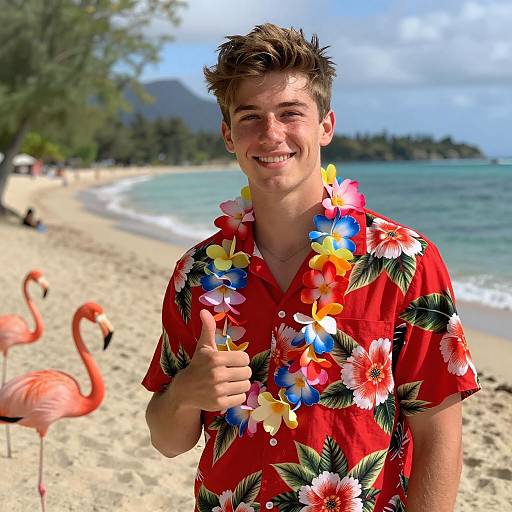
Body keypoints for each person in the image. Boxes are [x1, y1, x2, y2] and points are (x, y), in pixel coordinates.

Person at [142, 24, 479, 512]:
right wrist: (185, 394)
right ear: (227, 135)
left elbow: (440, 437)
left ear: (325, 125)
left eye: (290, 113)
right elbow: (168, 440)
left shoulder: (404, 261)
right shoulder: (195, 273)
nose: (271, 133)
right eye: (250, 116)